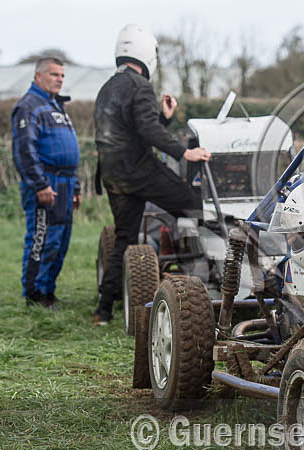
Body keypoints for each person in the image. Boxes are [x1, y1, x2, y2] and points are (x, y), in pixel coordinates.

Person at [92, 24, 211, 325]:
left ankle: (103, 310)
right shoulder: (140, 86)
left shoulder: (107, 88)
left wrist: (164, 119)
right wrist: (184, 152)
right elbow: (147, 131)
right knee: (194, 205)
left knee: (124, 239)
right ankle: (209, 281)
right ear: (147, 54)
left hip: (113, 177)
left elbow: (137, 129)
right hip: (140, 171)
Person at [11, 56, 81, 310]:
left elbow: (70, 151)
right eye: (54, 74)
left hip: (66, 183)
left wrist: (76, 187)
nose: (59, 79)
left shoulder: (56, 106)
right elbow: (24, 151)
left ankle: (48, 292)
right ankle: (34, 295)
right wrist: (40, 185)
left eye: (62, 75)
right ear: (38, 76)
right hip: (45, 183)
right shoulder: (29, 107)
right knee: (42, 239)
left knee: (60, 241)